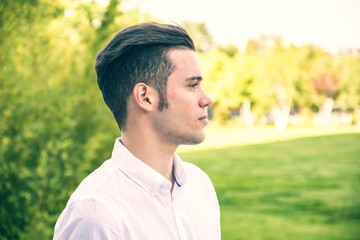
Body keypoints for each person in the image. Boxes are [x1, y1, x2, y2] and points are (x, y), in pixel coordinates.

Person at [54, 22, 221, 240]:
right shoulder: (96, 214)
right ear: (145, 97)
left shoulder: (200, 186)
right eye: (192, 85)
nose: (206, 99)